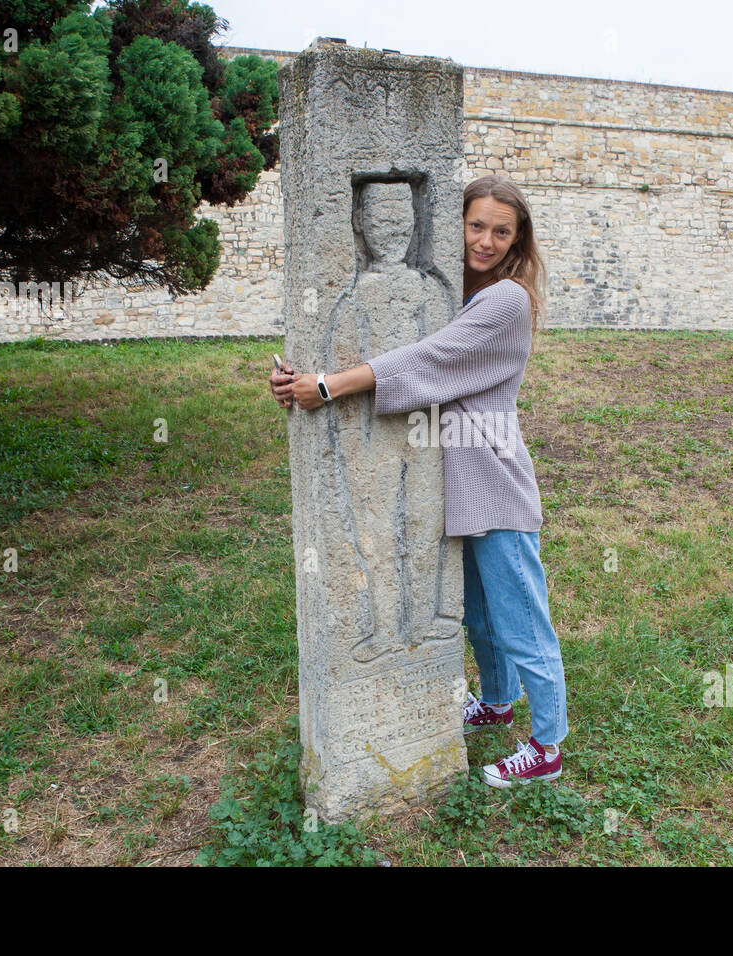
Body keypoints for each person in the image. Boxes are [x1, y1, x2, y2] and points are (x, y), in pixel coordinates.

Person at [270, 173, 568, 787]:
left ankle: (547, 746)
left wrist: (328, 386)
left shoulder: (505, 300)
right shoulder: (457, 292)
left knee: (520, 618)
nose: (484, 240)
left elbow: (431, 359)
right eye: (475, 224)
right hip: (456, 480)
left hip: (495, 482)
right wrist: (300, 377)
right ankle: (496, 701)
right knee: (480, 616)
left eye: (501, 231)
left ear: (518, 241)